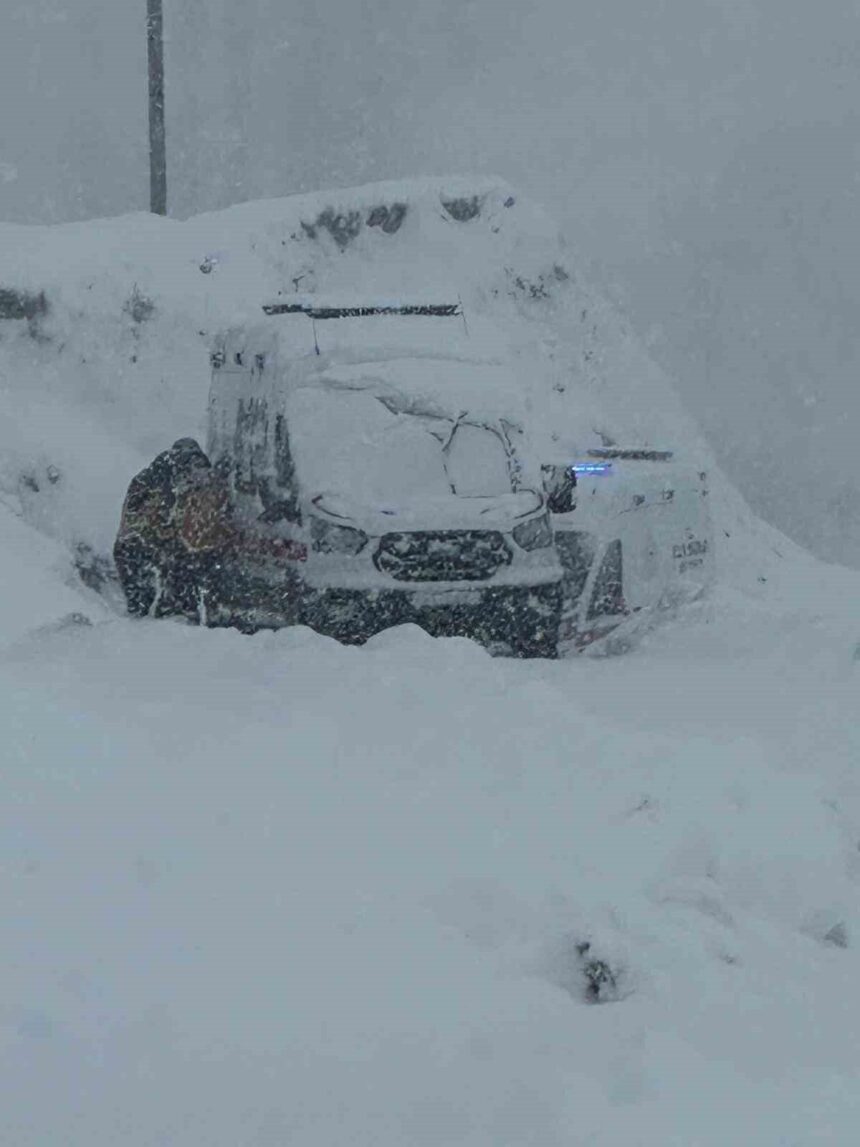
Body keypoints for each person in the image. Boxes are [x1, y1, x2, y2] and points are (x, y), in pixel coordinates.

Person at [114, 438, 235, 622]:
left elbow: (131, 513)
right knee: (181, 577)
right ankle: (176, 617)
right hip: (161, 542)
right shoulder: (190, 472)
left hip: (129, 545)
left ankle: (146, 627)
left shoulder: (146, 476)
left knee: (139, 605)